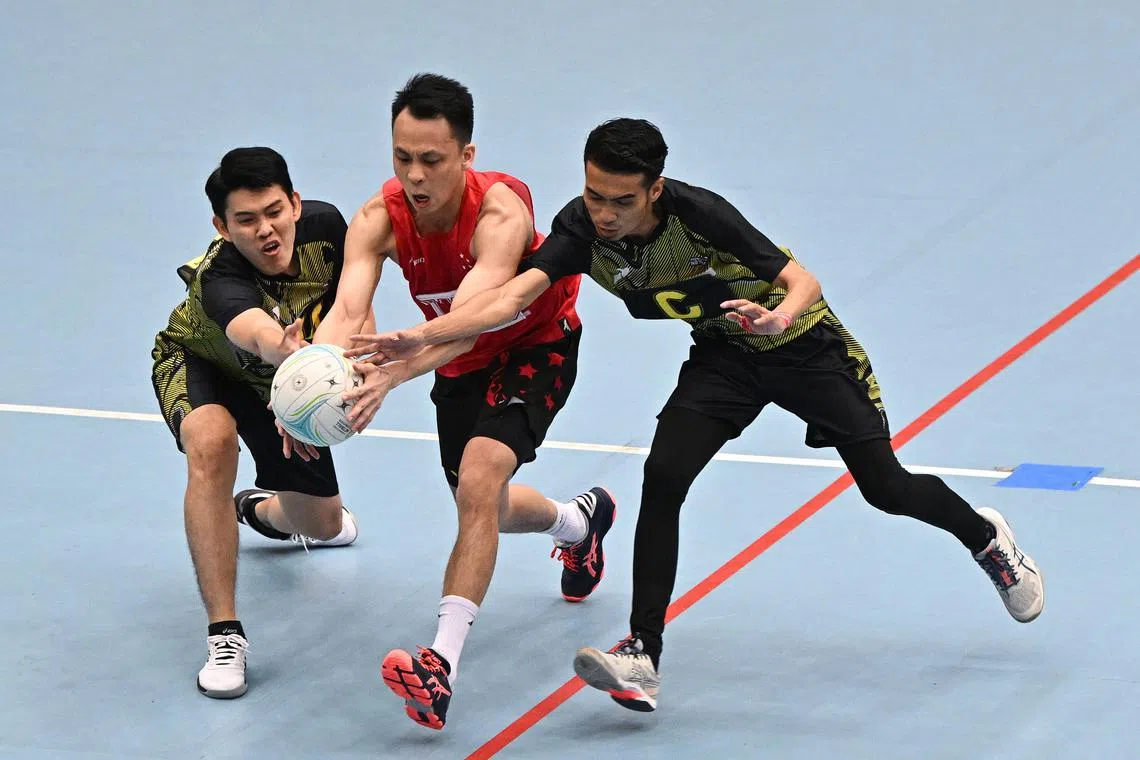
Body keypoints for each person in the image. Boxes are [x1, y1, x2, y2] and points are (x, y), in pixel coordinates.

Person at [350, 118, 1046, 713]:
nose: (604, 213)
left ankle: (985, 536)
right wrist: (423, 335)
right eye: (594, 194)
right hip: (723, 360)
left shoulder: (699, 215)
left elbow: (802, 279)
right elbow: (510, 298)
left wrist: (777, 317)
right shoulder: (577, 227)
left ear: (654, 189)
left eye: (621, 201)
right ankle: (642, 651)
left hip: (803, 349)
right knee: (664, 475)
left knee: (885, 487)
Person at [308, 73, 617, 730]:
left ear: (467, 157)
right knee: (488, 506)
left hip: (535, 346)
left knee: (479, 478)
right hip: (456, 369)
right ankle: (578, 522)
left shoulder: (501, 214)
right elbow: (347, 310)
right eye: (402, 157)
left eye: (432, 160)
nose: (414, 176)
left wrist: (390, 375)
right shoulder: (377, 220)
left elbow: (474, 319)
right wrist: (313, 380)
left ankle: (439, 666)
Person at [151, 147, 361, 700]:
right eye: (245, 220)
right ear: (223, 226)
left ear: (294, 203)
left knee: (324, 526)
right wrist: (288, 356)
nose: (265, 230)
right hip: (201, 362)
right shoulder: (221, 275)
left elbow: (354, 303)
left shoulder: (327, 228)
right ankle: (225, 634)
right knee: (212, 444)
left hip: (279, 381)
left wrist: (340, 373)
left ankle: (256, 510)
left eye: (273, 211)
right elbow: (252, 331)